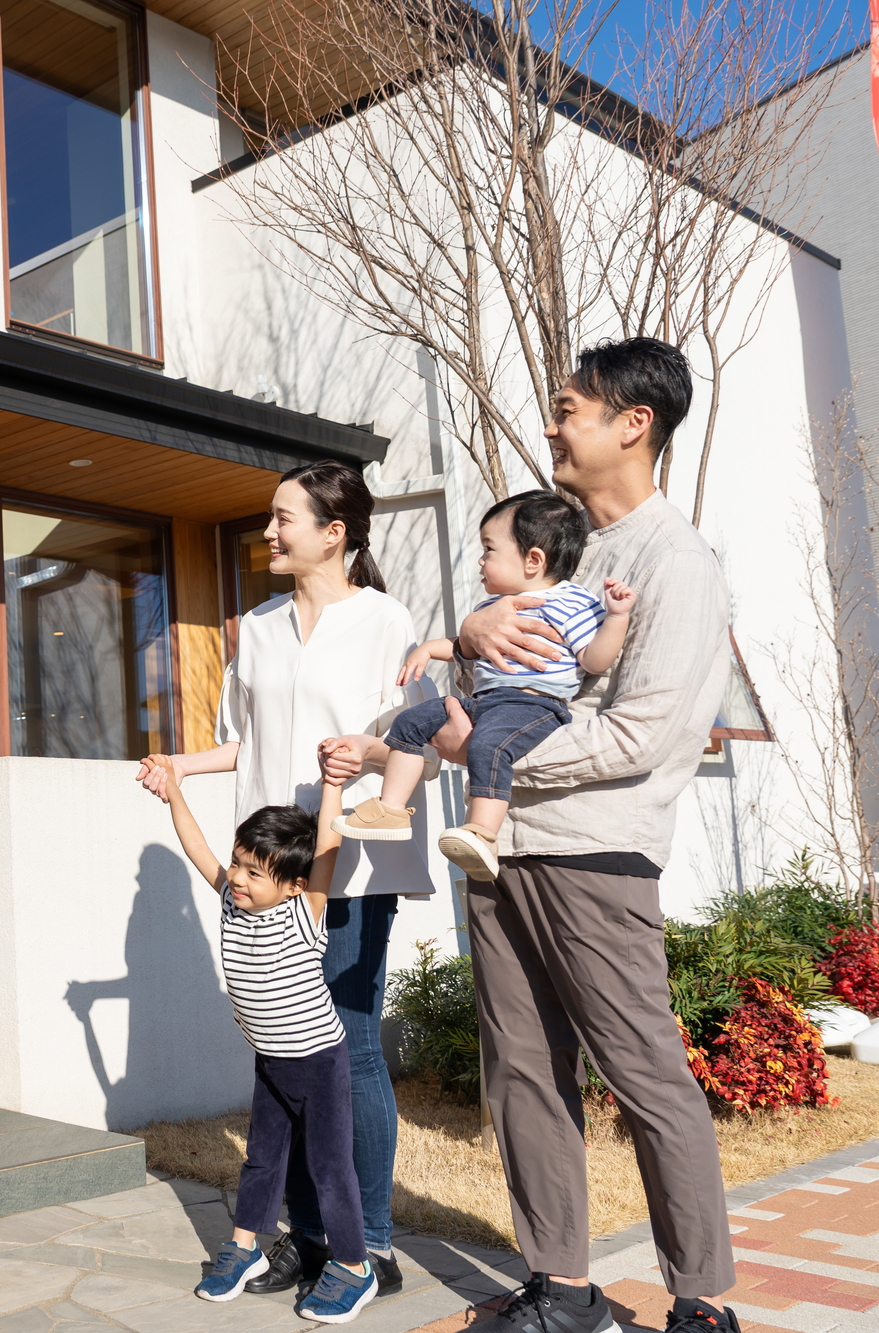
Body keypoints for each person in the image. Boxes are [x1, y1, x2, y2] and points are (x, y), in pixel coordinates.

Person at [327, 338, 737, 1333]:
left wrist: (485, 759)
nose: (550, 425)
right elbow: (503, 689)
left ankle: (698, 1301)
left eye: (569, 409)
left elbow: (643, 730)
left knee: (640, 1071)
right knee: (517, 1069)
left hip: (594, 851)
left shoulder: (672, 562)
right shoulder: (560, 550)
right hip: (498, 850)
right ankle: (560, 1286)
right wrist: (465, 643)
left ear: (630, 423)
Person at [136, 459, 437, 1301]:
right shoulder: (259, 627)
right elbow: (242, 738)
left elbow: (419, 737)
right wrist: (178, 769)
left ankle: (369, 1243)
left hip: (352, 864)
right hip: (271, 870)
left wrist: (367, 755)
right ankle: (309, 1240)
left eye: (283, 518)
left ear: (334, 532)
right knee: (284, 1052)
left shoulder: (387, 621)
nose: (268, 531)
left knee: (346, 1040)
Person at [153, 755, 380, 1325]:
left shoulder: (304, 915)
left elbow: (326, 845)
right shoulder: (233, 903)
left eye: (255, 872)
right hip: (272, 1062)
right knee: (261, 1160)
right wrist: (174, 792)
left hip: (319, 1062)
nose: (237, 877)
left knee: (331, 1168)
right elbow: (196, 848)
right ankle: (245, 1248)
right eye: (238, 864)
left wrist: (333, 788)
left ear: (293, 886)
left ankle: (355, 1267)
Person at [333, 490, 637, 882]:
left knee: (488, 746)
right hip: (484, 701)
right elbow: (466, 650)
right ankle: (390, 810)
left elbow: (594, 660)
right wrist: (429, 648)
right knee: (411, 722)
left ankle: (483, 833)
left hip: (534, 705)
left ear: (533, 560)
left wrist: (616, 617)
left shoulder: (572, 602)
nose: (480, 560)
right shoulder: (489, 609)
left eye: (489, 549)